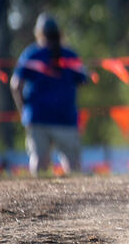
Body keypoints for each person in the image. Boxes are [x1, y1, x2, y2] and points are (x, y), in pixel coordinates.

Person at [10, 13, 88, 175]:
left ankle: (34, 199)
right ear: (59, 33)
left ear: (39, 33)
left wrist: (23, 110)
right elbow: (83, 80)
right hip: (65, 117)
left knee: (39, 163)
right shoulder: (70, 55)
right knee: (74, 168)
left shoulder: (31, 54)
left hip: (37, 117)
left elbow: (15, 85)